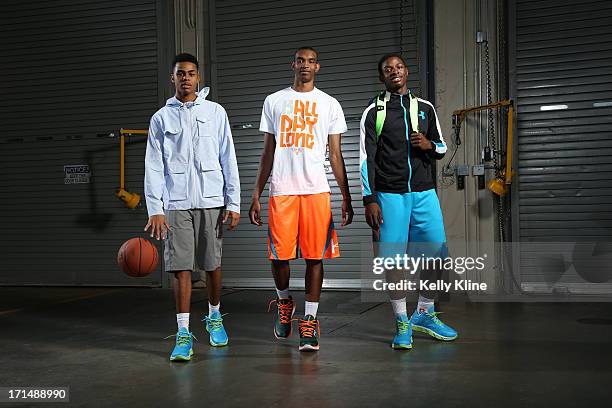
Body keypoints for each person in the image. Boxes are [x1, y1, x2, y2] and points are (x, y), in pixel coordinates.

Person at [249, 47, 353, 351]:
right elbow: (268, 152)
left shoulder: (329, 104)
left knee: (314, 257)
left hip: (316, 191)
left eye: (310, 61)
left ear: (317, 67)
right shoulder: (274, 101)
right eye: (300, 61)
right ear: (293, 65)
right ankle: (285, 304)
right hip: (282, 190)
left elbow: (335, 154)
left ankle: (309, 322)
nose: (305, 65)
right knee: (279, 257)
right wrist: (255, 193)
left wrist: (346, 197)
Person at [144, 53, 240, 361]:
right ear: (171, 78)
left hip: (212, 200)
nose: (185, 78)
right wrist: (155, 209)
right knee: (180, 267)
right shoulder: (161, 118)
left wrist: (233, 200)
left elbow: (228, 157)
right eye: (180, 73)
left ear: (198, 78)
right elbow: (154, 167)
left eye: (191, 73)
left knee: (212, 264)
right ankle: (183, 333)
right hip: (176, 202)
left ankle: (214, 316)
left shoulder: (215, 112)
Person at [359, 53, 458, 350]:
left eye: (399, 67)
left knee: (437, 255)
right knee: (393, 261)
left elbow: (442, 147)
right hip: (390, 195)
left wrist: (430, 145)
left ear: (406, 71)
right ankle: (402, 322)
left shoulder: (426, 108)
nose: (394, 72)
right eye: (388, 69)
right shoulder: (373, 112)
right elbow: (366, 159)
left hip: (424, 193)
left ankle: (424, 313)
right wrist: (369, 198)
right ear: (382, 77)